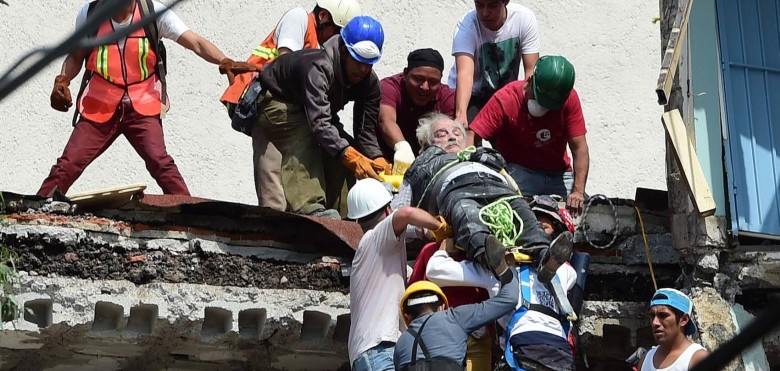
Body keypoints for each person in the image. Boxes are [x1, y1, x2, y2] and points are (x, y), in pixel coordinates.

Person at [40, 0, 253, 197]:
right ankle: (36, 208)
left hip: (142, 105)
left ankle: (189, 214)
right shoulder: (89, 14)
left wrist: (223, 60)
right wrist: (62, 80)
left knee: (160, 163)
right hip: (100, 104)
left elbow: (194, 42)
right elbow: (76, 56)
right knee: (68, 164)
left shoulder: (153, 13)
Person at [219, 0, 361, 210]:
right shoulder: (299, 18)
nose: (338, 39)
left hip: (290, 111)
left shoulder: (323, 47)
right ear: (323, 17)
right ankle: (272, 234)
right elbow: (286, 63)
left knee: (293, 176)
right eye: (337, 31)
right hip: (271, 104)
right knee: (273, 179)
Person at [255, 16, 387, 219]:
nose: (363, 69)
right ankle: (310, 208)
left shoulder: (369, 84)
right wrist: (350, 155)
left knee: (343, 152)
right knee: (304, 137)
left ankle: (344, 215)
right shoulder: (319, 67)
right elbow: (319, 124)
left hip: (311, 109)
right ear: (344, 51)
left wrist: (377, 161)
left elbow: (365, 130)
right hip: (276, 101)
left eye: (369, 63)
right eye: (358, 60)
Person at [393, 112, 555, 277]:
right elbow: (395, 216)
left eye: (457, 133)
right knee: (466, 212)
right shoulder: (419, 166)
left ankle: (545, 254)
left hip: (499, 188)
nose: (451, 138)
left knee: (521, 209)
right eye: (441, 134)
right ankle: (491, 256)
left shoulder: (485, 157)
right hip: (458, 192)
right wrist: (426, 229)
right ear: (427, 145)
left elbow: (514, 188)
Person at [426, 235, 578, 371]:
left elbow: (435, 271)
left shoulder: (492, 276)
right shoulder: (563, 271)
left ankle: (504, 268)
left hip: (523, 344)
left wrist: (443, 249)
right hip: (561, 350)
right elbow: (573, 276)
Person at [346, 178, 450, 371]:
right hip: (379, 350)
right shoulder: (377, 236)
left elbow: (419, 277)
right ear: (387, 210)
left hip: (370, 353)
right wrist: (438, 227)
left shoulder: (377, 257)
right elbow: (406, 213)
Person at [468, 56, 589, 214]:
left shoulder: (569, 99)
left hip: (558, 174)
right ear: (531, 80)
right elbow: (472, 136)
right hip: (519, 171)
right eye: (540, 100)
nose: (543, 107)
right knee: (506, 207)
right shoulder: (506, 99)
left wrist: (578, 192)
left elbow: (579, 149)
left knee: (586, 212)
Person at [393, 256, 517, 370]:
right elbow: (509, 299)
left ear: (406, 317)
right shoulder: (453, 317)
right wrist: (506, 268)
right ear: (442, 307)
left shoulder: (400, 345)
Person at [448, 0, 540, 125]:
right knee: (468, 132)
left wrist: (530, 106)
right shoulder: (467, 26)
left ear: (505, 2)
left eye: (492, 5)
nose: (485, 13)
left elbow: (531, 69)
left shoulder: (524, 18)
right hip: (471, 94)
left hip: (503, 93)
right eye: (479, 5)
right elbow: (465, 73)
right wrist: (460, 114)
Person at [378, 48, 455, 174]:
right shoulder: (389, 87)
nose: (425, 87)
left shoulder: (447, 98)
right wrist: (402, 147)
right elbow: (386, 121)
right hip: (387, 164)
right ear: (405, 73)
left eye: (433, 82)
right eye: (418, 79)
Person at [638, 289, 708, 371]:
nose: (655, 322)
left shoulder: (697, 359)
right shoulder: (645, 360)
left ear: (684, 320)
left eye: (663, 315)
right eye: (652, 315)